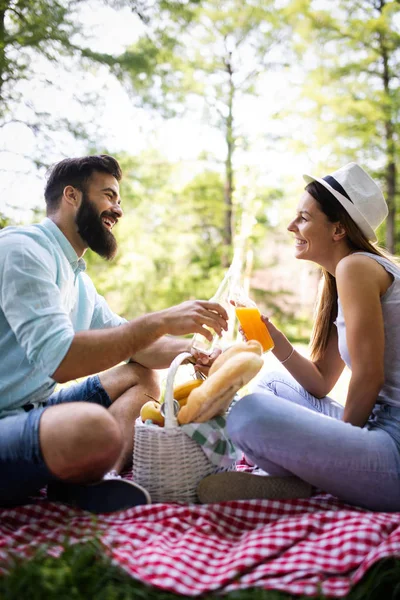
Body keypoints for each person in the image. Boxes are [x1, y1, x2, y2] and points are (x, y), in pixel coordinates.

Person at [0, 154, 228, 513]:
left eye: (118, 199)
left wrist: (198, 351)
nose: (117, 210)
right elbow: (60, 359)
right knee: (93, 428)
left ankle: (94, 479)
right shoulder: (23, 251)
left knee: (142, 377)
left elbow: (136, 346)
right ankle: (78, 467)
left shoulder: (78, 280)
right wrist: (161, 320)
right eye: (108, 195)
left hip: (31, 412)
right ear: (71, 196)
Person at [198, 162, 400, 512]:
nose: (292, 226)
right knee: (275, 385)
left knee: (247, 414)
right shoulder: (348, 273)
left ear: (338, 229)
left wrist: (342, 442)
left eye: (303, 218)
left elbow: (369, 377)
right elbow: (321, 383)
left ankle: (303, 479)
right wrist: (272, 337)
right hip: (377, 425)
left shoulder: (356, 268)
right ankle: (306, 477)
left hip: (393, 449)